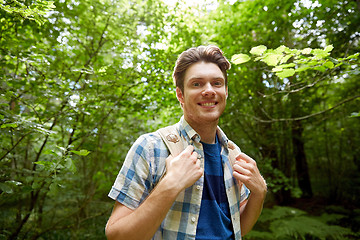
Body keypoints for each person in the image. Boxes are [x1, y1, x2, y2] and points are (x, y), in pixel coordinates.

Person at [105, 45, 267, 240]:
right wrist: (170, 184)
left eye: (216, 83)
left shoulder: (233, 153)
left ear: (225, 91)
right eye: (197, 84)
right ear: (180, 95)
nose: (209, 91)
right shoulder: (150, 148)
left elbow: (235, 227)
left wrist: (259, 193)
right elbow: (116, 236)